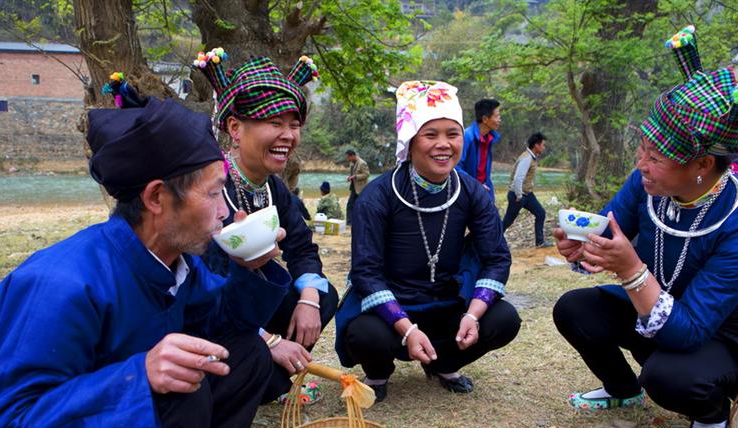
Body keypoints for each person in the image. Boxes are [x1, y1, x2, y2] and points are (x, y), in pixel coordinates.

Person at [0, 94, 292, 428]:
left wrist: (252, 269)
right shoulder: (62, 284)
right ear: (155, 198)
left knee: (245, 354)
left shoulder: (175, 261)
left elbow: (221, 322)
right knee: (175, 398)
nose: (225, 212)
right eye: (212, 194)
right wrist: (137, 376)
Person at [552, 25, 738, 428]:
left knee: (668, 376)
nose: (641, 164)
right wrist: (582, 248)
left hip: (728, 327)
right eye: (643, 150)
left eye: (655, 157)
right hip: (665, 303)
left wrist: (629, 269)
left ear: (702, 164)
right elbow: (607, 230)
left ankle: (714, 411)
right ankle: (622, 389)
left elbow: (691, 329)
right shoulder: (648, 183)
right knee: (574, 309)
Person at [335, 80, 521, 403]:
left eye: (452, 134)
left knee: (504, 318)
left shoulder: (472, 192)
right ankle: (378, 374)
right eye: (430, 134)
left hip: (447, 305)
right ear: (409, 141)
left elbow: (496, 258)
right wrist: (406, 329)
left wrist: (473, 315)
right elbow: (366, 272)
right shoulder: (377, 197)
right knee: (364, 334)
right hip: (390, 311)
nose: (443, 145)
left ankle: (445, 364)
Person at [196, 48, 338, 403]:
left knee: (322, 296)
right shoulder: (209, 190)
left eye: (293, 125)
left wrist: (308, 301)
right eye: (274, 123)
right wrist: (268, 338)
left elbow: (303, 248)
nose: (288, 135)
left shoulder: (274, 188)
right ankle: (252, 373)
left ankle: (273, 381)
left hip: (254, 304)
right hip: (212, 315)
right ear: (234, 128)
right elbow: (200, 287)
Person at [501, 132, 552, 247]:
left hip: (527, 194)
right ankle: (493, 241)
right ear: (536, 145)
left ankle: (540, 242)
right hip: (518, 195)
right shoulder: (527, 158)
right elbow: (518, 178)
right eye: (543, 145)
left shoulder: (532, 157)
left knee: (540, 213)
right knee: (508, 220)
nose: (544, 147)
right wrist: (519, 195)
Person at [456, 98, 501, 204]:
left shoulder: (490, 138)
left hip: (485, 190)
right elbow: (456, 167)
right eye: (497, 116)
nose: (499, 119)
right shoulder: (467, 137)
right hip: (468, 191)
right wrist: (476, 185)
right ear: (485, 119)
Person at [345, 149, 370, 226]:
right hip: (354, 188)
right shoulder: (352, 163)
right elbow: (353, 174)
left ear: (352, 156)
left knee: (361, 206)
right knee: (350, 205)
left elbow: (366, 174)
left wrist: (355, 176)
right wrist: (350, 177)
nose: (348, 159)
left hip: (361, 189)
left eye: (348, 157)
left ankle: (361, 221)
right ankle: (350, 222)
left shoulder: (362, 163)